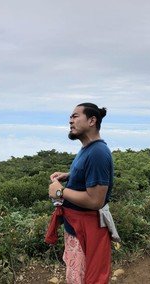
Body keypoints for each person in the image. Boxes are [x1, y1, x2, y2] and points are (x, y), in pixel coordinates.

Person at [44, 102, 115, 283]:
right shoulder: (88, 148)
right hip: (77, 228)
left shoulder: (98, 153)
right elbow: (88, 174)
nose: (70, 121)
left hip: (86, 230)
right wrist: (69, 175)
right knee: (75, 274)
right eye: (70, 117)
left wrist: (60, 192)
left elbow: (95, 200)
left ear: (92, 121)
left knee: (81, 278)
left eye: (75, 116)